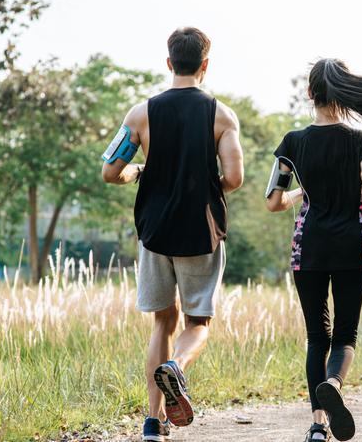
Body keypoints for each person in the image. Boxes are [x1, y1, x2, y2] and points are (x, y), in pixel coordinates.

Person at [101, 27, 244, 442]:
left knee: (162, 323)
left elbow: (111, 172)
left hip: (155, 232)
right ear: (205, 65)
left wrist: (141, 171)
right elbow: (233, 178)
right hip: (201, 231)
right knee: (198, 321)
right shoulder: (222, 115)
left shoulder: (139, 114)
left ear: (168, 63)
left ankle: (153, 422)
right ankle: (177, 368)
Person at [265, 58, 362, 442]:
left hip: (309, 247)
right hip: (351, 245)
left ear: (310, 93)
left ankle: (318, 425)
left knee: (318, 336)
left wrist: (304, 192)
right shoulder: (360, 139)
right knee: (345, 335)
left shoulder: (292, 143)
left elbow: (274, 201)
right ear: (342, 92)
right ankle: (334, 381)